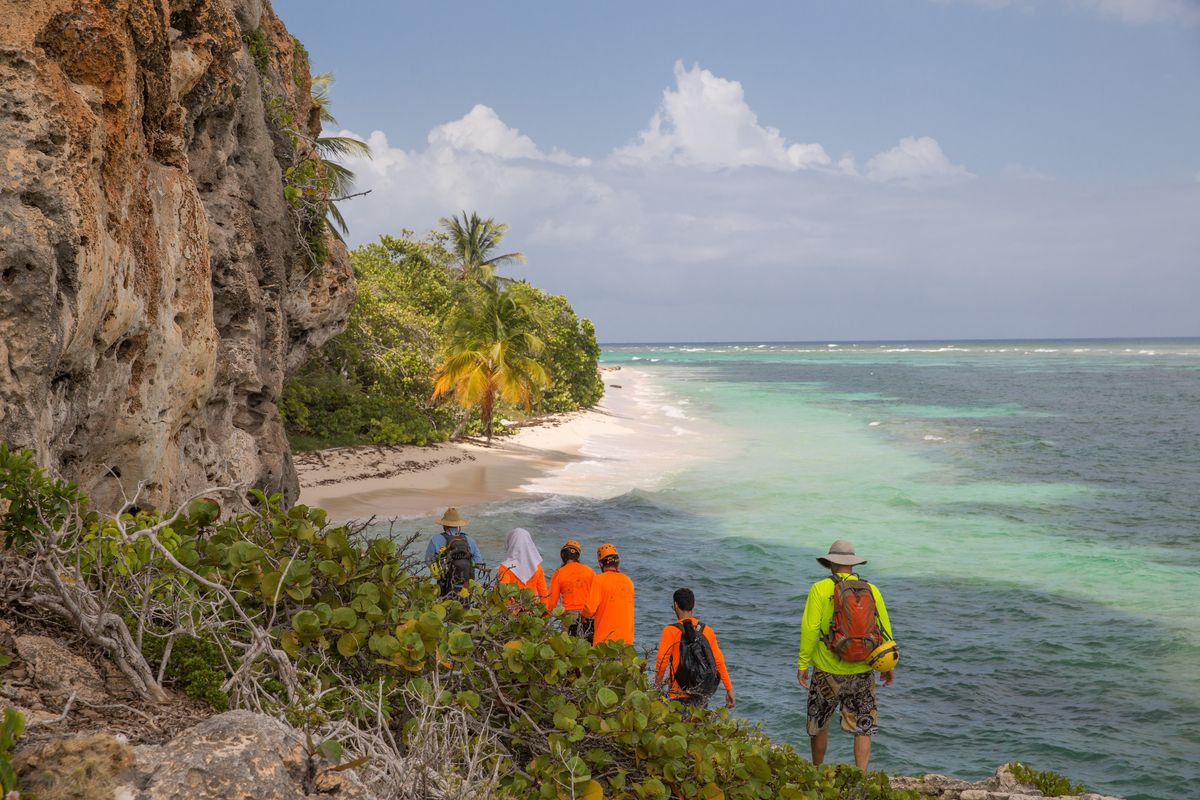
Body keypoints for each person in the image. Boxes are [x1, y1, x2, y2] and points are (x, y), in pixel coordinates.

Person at [796, 540, 895, 772]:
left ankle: (817, 772)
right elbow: (885, 630)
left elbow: (809, 630)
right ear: (852, 564)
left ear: (831, 563)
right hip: (862, 671)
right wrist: (887, 666)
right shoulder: (872, 590)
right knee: (863, 726)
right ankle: (861, 777)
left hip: (826, 672)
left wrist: (803, 664)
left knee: (820, 725)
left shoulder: (819, 589)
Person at [654, 588, 735, 710]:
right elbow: (718, 662)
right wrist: (729, 689)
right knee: (697, 726)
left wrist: (657, 686)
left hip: (677, 694)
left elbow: (662, 660)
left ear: (675, 605)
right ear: (693, 605)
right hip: (700, 694)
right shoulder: (707, 631)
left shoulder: (670, 631)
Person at [582, 543, 634, 645]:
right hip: (626, 641)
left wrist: (582, 615)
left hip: (604, 641)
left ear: (601, 564)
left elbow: (590, 609)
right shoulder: (628, 581)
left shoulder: (599, 580)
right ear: (617, 562)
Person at [544, 539, 596, 639]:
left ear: (563, 556)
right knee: (588, 649)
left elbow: (551, 602)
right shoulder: (590, 572)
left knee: (569, 650)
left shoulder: (559, 573)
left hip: (570, 618)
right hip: (589, 616)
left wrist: (544, 621)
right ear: (577, 556)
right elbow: (597, 597)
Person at [496, 527, 548, 608]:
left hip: (510, 613)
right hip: (532, 612)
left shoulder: (505, 568)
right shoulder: (537, 568)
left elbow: (502, 594)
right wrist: (545, 615)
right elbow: (543, 594)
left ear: (510, 543)